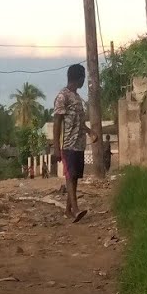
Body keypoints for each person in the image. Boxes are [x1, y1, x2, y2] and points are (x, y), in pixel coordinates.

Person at [53, 64, 96, 223]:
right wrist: (57, 147)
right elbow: (57, 122)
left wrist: (90, 132)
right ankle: (76, 209)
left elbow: (80, 122)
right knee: (70, 176)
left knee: (75, 177)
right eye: (83, 77)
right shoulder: (62, 96)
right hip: (68, 145)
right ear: (79, 78)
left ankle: (68, 210)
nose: (84, 80)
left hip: (79, 144)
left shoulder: (77, 98)